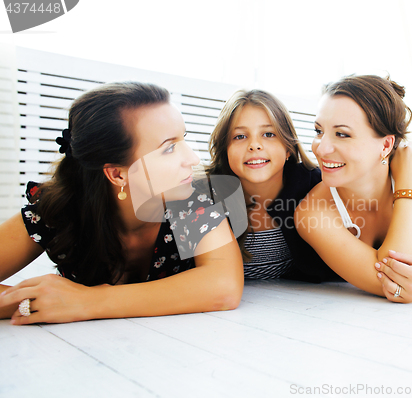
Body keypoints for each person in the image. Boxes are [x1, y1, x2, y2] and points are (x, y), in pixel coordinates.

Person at [0, 82, 244, 324]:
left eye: (184, 139)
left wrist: (87, 302)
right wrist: (37, 302)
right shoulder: (58, 211)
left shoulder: (191, 202)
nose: (192, 158)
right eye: (169, 148)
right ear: (117, 174)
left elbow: (224, 286)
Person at [294, 75, 412, 303]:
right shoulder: (312, 212)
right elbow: (397, 281)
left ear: (386, 145)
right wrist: (408, 188)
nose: (322, 148)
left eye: (342, 134)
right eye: (318, 131)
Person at [207, 89, 338, 282]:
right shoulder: (205, 195)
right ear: (225, 149)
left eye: (268, 134)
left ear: (288, 148)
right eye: (240, 136)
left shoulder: (313, 183)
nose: (254, 145)